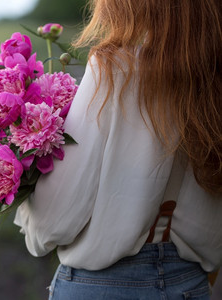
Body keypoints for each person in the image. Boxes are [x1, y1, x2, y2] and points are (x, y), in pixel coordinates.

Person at [14, 0, 222, 299]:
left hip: (104, 285)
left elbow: (58, 217)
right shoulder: (213, 76)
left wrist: (26, 210)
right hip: (190, 285)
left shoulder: (115, 68)